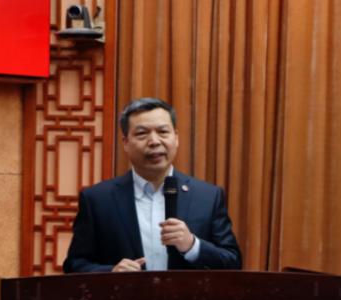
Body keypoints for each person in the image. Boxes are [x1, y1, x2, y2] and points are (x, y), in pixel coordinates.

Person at [63, 97, 242, 273]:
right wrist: (112, 273)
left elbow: (233, 262)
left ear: (176, 138)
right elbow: (74, 265)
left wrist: (192, 246)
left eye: (163, 132)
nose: (154, 141)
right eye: (142, 133)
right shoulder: (97, 200)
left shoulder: (207, 197)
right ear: (126, 143)